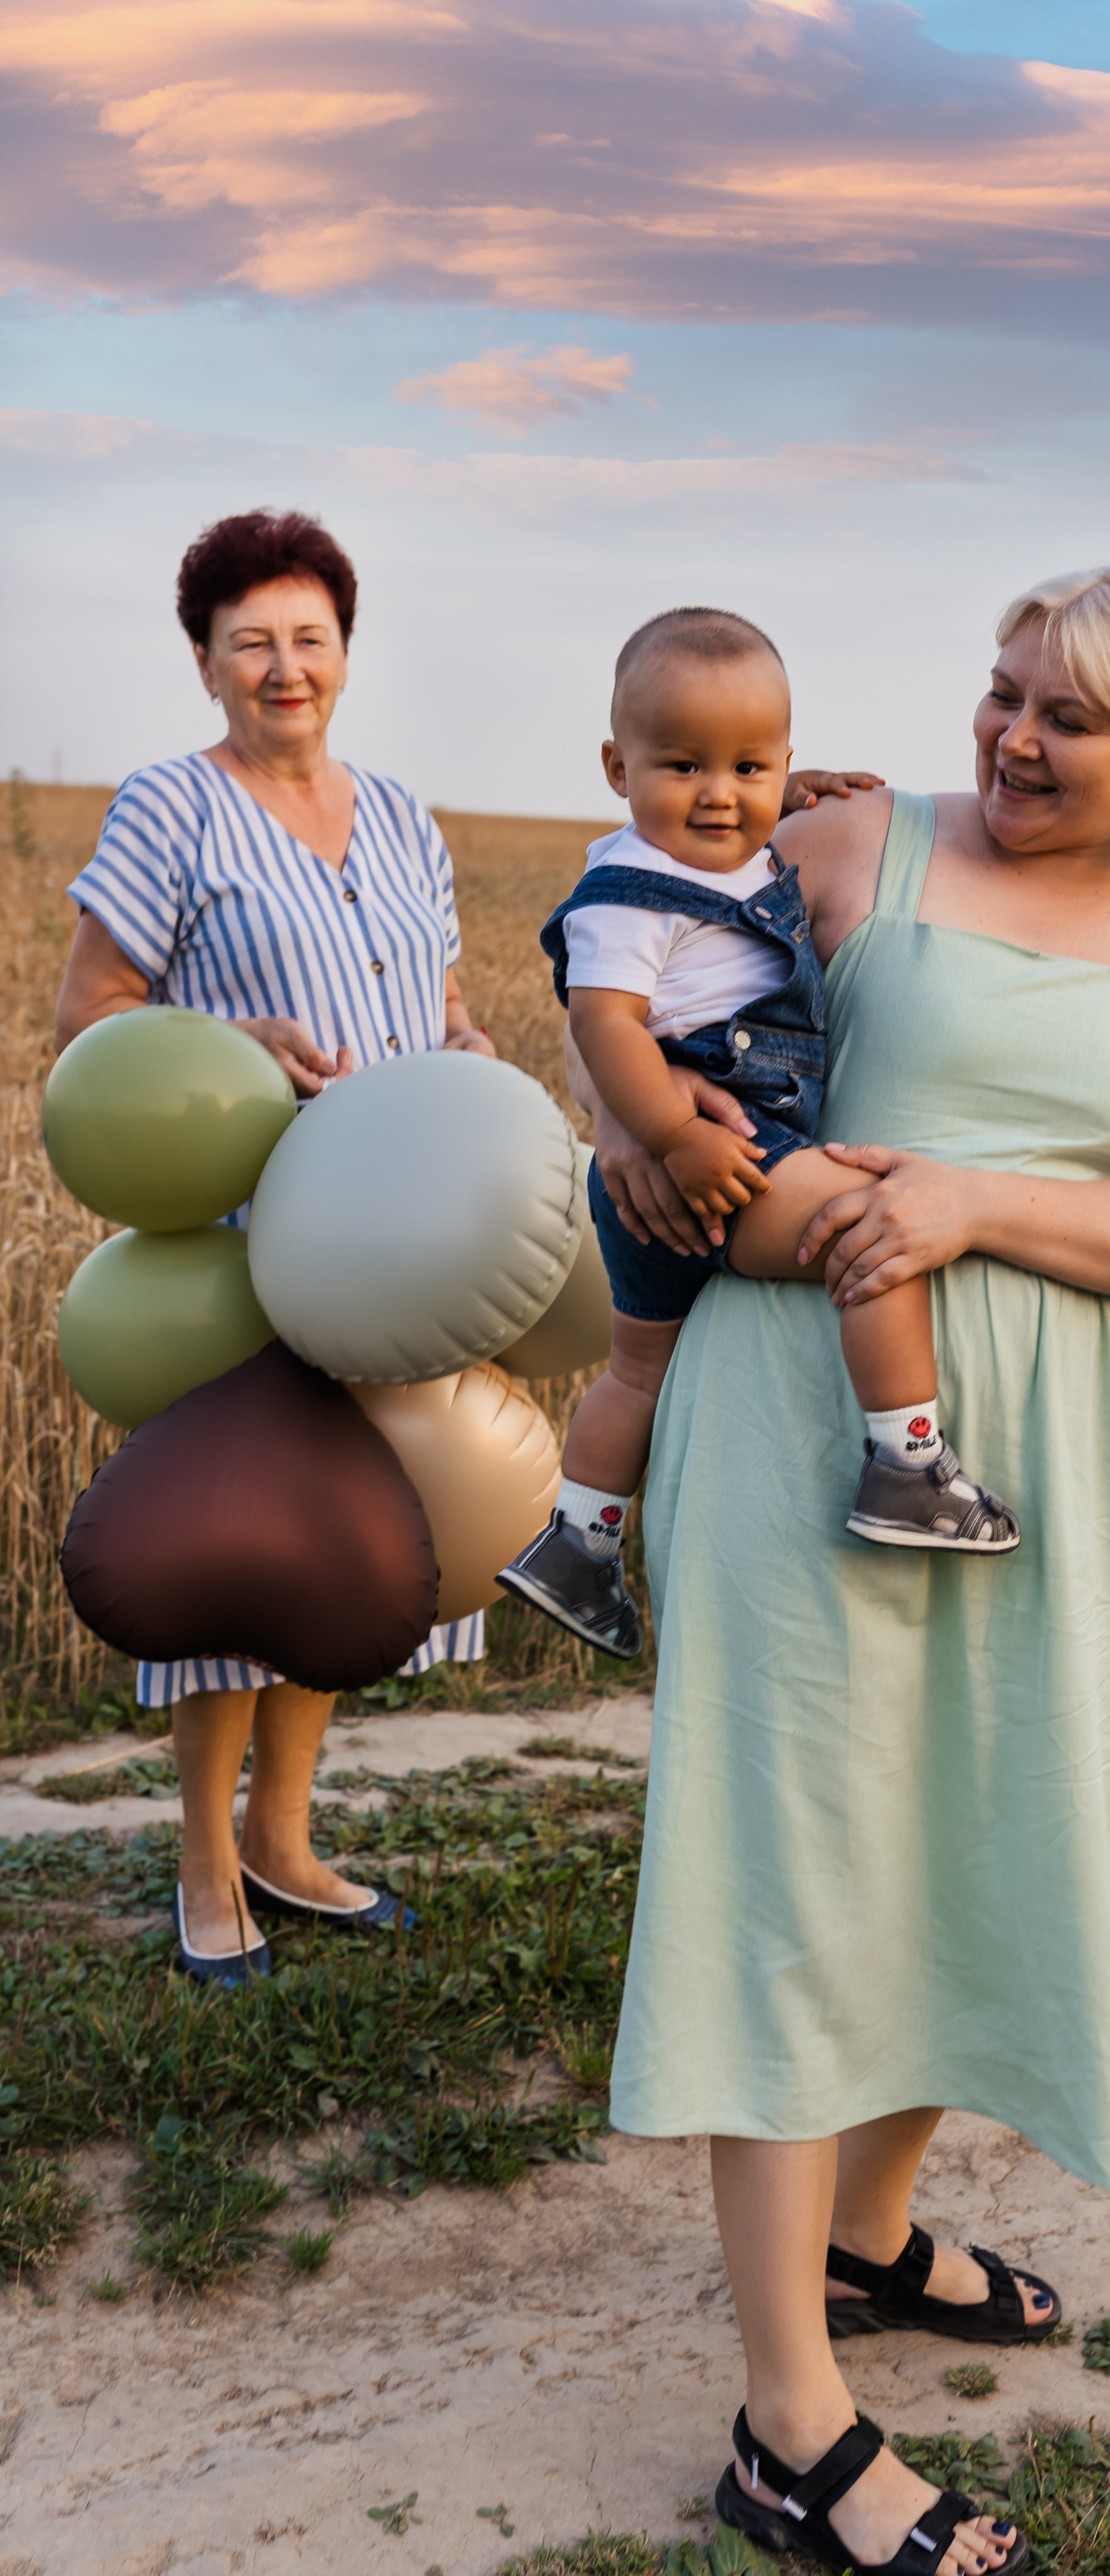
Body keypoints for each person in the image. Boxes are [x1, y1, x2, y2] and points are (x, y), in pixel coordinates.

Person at [590, 567, 1110, 2576]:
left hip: (1035, 1442)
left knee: (979, 1839)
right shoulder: (853, 841)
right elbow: (636, 973)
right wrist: (634, 1140)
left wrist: (972, 1195)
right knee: (796, 1872)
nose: (1013, 736)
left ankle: (873, 2237)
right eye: (1002, 690)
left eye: (1066, 715)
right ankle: (791, 2428)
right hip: (807, 1423)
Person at [53, 508, 498, 1987]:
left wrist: (467, 1060)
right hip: (244, 1243)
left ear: (346, 654)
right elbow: (87, 1025)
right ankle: (201, 1862)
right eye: (251, 641)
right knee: (237, 1542)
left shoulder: (406, 818)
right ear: (205, 664)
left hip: (396, 1242)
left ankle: (286, 1838)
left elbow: (432, 1012)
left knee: (353, 1541)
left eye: (308, 638)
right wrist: (228, 1043)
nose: (283, 665)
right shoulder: (171, 808)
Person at [498, 606, 1019, 1658]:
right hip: (714, 1158)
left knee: (634, 1374)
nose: (719, 796)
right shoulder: (627, 896)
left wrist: (794, 785)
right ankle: (907, 1464)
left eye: (750, 767)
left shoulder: (719, 848)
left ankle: (578, 1546)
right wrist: (663, 1137)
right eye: (683, 765)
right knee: (876, 1233)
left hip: (682, 1171)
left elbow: (737, 812)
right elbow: (605, 1025)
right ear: (616, 765)